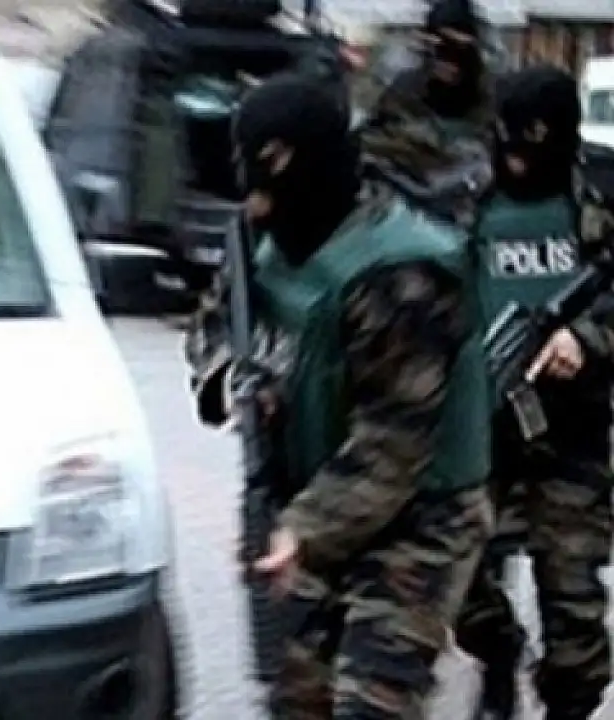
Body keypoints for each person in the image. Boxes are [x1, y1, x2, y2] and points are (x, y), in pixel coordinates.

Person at [187, 71, 493, 717]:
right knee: (297, 696)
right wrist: (232, 379)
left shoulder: (402, 271)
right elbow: (215, 324)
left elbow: (394, 444)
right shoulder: (262, 235)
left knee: (371, 701)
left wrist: (301, 532)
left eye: (269, 189)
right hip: (310, 497)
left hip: (420, 518)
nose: (257, 211)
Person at [454, 65, 614, 720]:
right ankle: (497, 656)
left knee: (573, 609)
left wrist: (587, 339)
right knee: (457, 576)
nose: (517, 159)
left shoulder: (600, 195)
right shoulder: (467, 199)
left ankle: (567, 705)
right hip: (479, 427)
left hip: (572, 435)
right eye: (508, 141)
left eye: (532, 145)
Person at [356, 0, 494, 228]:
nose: (447, 62)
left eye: (457, 50)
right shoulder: (404, 92)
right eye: (439, 49)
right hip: (407, 215)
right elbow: (370, 145)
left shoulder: (492, 99)